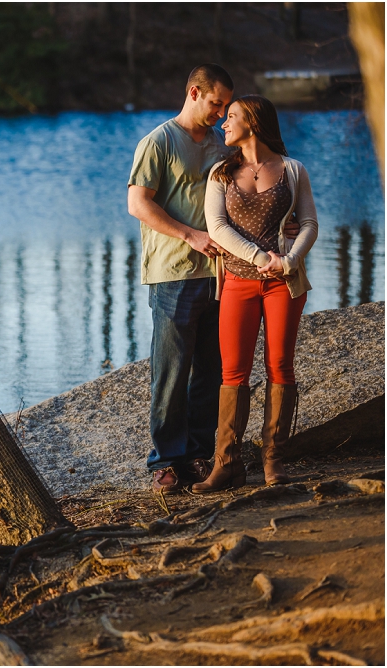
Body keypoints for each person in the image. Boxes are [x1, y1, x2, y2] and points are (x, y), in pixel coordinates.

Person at [192, 95, 318, 493]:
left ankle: (273, 461)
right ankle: (227, 464)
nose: (223, 123)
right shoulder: (220, 174)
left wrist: (289, 260)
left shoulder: (293, 170)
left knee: (280, 366)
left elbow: (310, 223)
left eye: (231, 117)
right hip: (238, 283)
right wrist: (263, 256)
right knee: (233, 372)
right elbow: (216, 227)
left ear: (254, 122)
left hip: (284, 283)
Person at [127, 64, 234, 494]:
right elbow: (138, 204)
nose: (222, 113)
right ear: (194, 92)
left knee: (210, 371)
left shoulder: (218, 144)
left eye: (226, 106)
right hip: (173, 274)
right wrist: (191, 235)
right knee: (171, 371)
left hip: (219, 275)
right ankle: (165, 462)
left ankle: (197, 456)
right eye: (216, 103)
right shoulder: (159, 142)